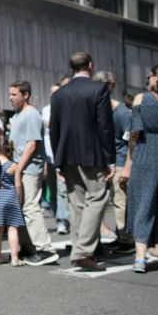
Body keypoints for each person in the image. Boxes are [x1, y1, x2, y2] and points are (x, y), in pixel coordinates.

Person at [49, 52, 115, 272]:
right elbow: (105, 127)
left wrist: (58, 160)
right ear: (90, 65)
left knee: (76, 203)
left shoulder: (59, 94)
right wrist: (110, 159)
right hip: (93, 154)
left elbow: (54, 129)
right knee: (97, 198)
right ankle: (83, 251)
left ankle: (79, 248)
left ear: (71, 68)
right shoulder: (99, 89)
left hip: (67, 154)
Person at [123, 66, 158, 274]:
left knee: (144, 204)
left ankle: (139, 258)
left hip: (146, 153)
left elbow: (134, 134)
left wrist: (128, 164)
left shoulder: (141, 99)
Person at [8, 80, 60, 266]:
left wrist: (19, 168)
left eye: (14, 94)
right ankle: (28, 247)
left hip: (28, 168)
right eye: (10, 94)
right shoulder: (17, 115)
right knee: (20, 209)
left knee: (30, 207)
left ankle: (45, 249)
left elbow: (32, 144)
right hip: (19, 167)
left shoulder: (31, 115)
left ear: (26, 95)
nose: (10, 98)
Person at [93, 71, 134, 254]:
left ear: (111, 86)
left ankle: (126, 239)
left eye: (103, 84)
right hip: (104, 163)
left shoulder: (122, 112)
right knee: (105, 202)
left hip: (119, 163)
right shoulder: (101, 110)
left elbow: (131, 141)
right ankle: (120, 238)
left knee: (120, 202)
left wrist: (127, 167)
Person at [0, 136, 27, 266]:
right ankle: (15, 258)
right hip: (10, 197)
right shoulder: (14, 166)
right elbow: (18, 185)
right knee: (12, 228)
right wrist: (19, 200)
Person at [41, 83, 69, 235]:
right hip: (48, 156)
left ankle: (62, 221)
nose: (54, 95)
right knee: (52, 190)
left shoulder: (67, 109)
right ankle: (59, 215)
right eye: (52, 93)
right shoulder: (45, 110)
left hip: (61, 156)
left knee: (61, 190)